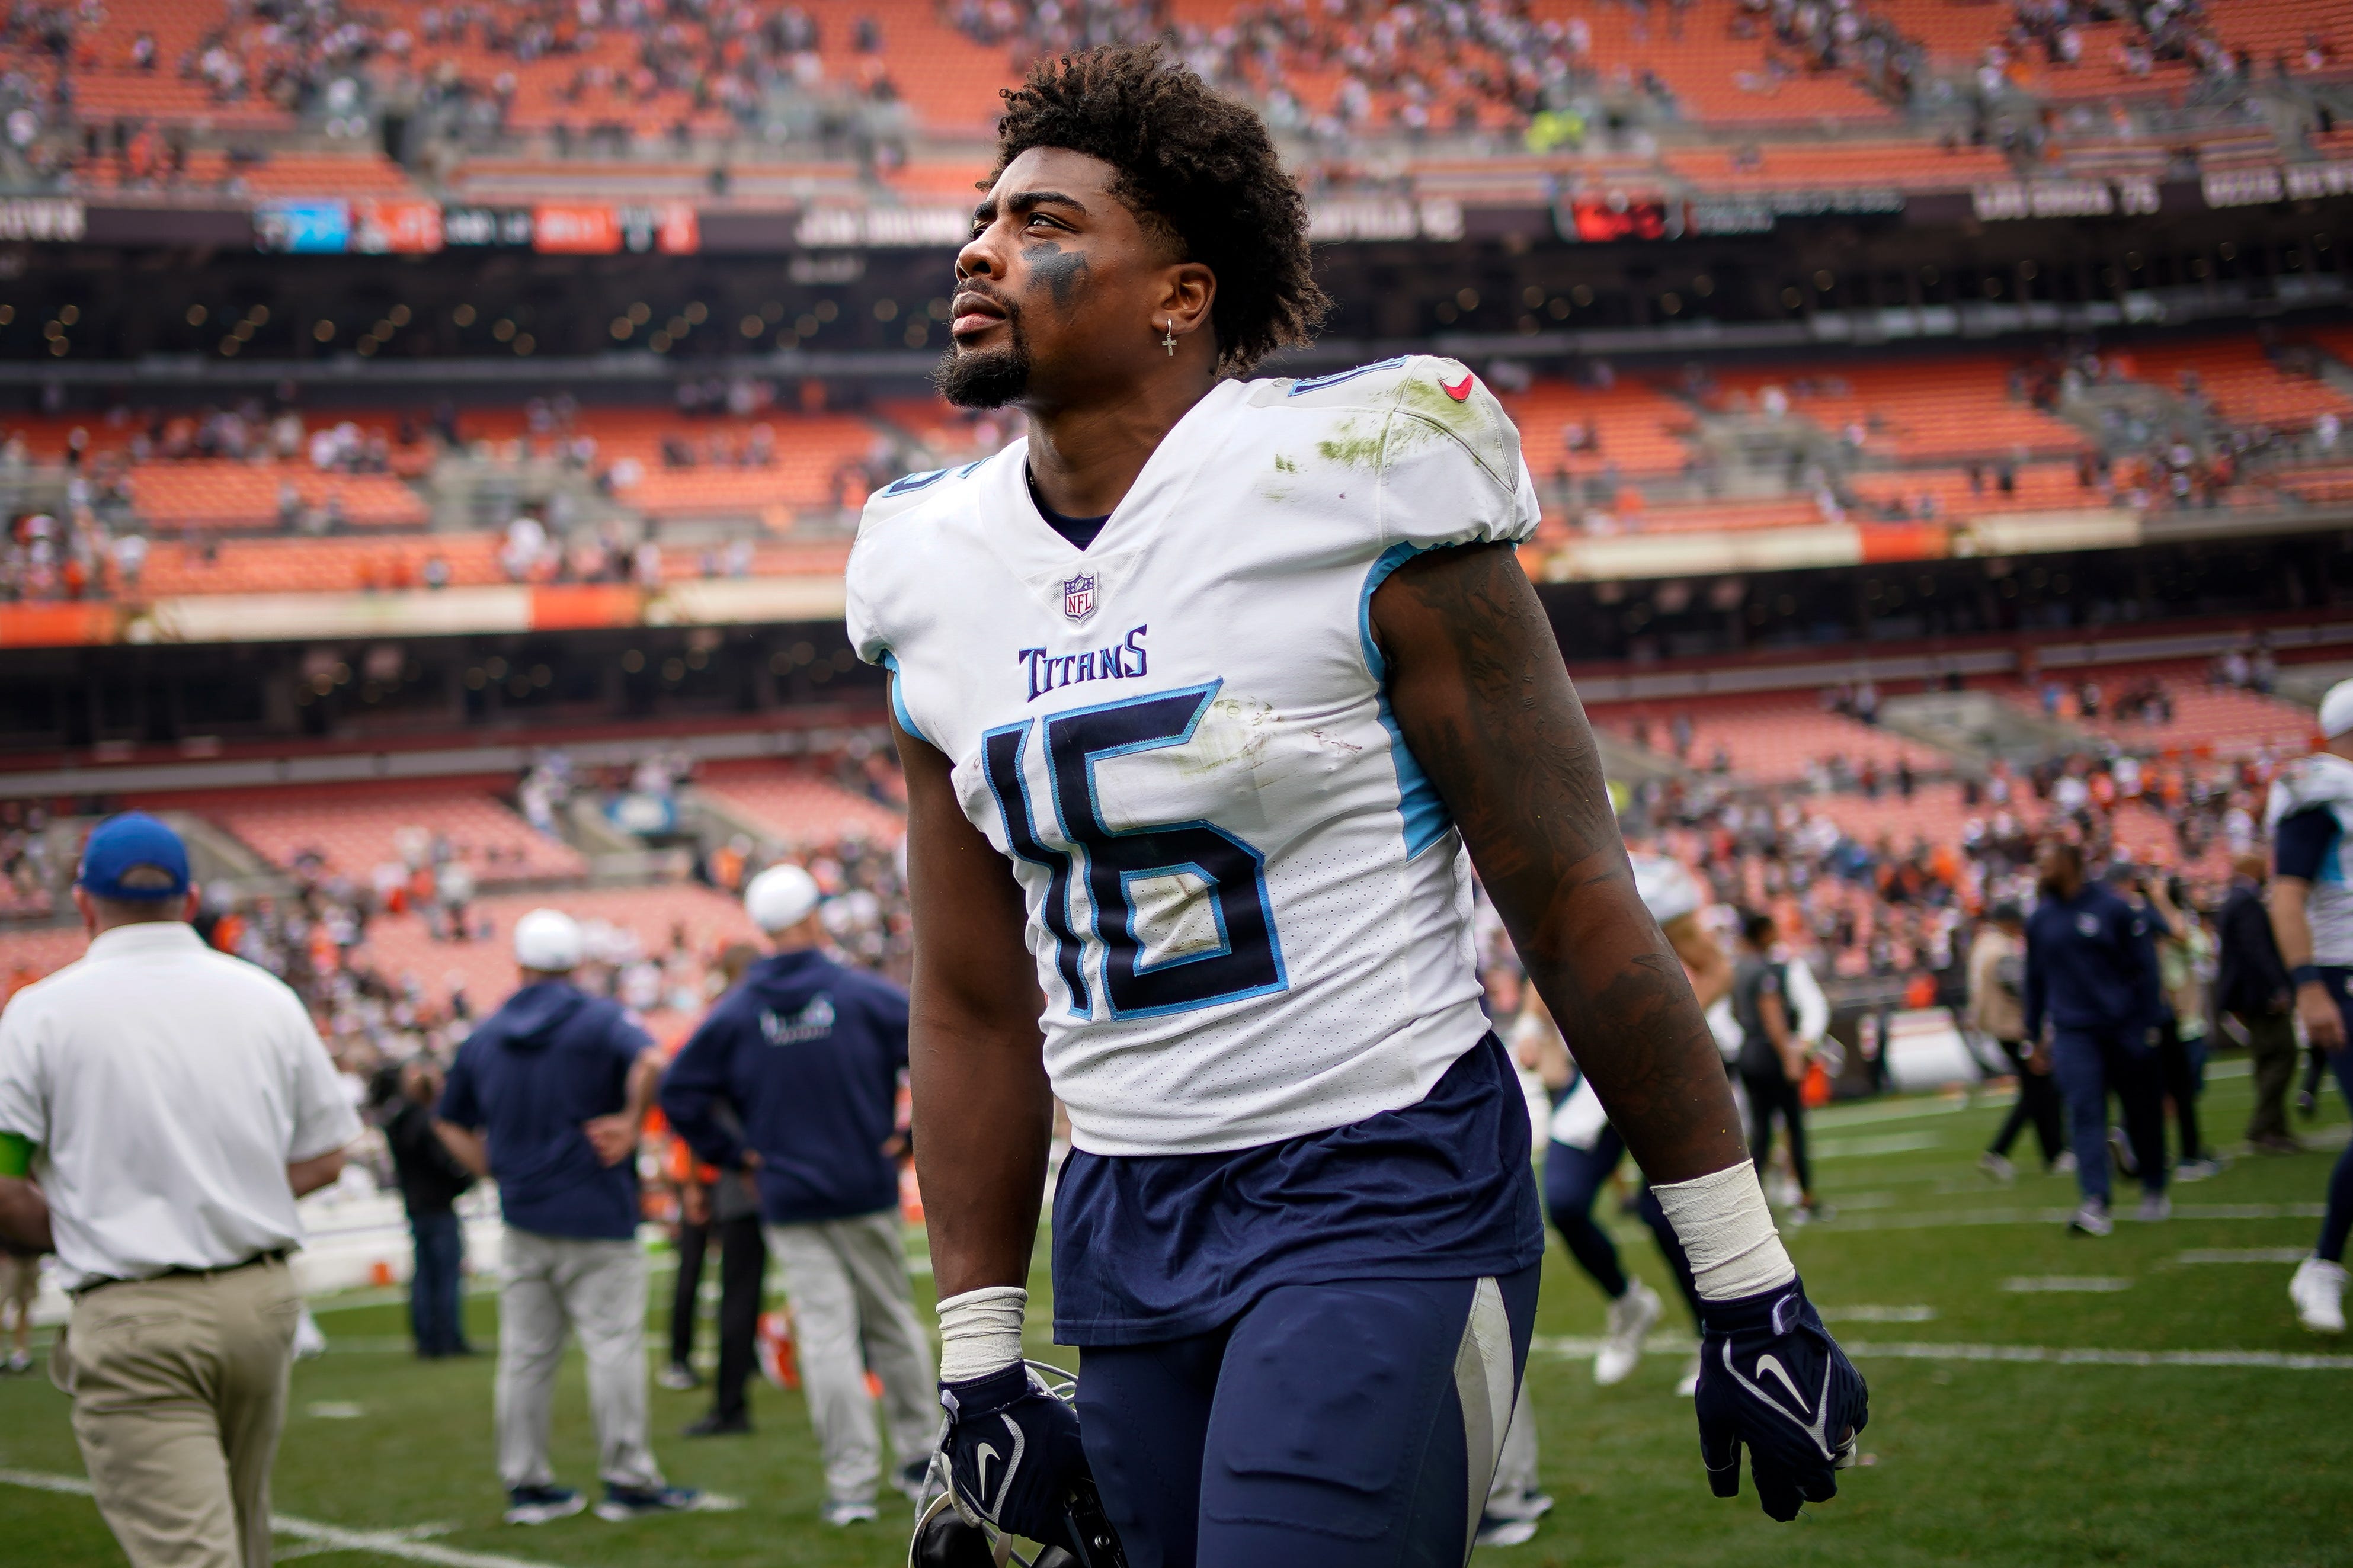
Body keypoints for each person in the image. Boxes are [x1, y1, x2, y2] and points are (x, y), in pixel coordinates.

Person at [853, 44, 1865, 1566]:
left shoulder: (1360, 469)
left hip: (1377, 1175)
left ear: (1180, 294)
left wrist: (1744, 1275)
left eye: (1044, 221)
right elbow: (976, 1000)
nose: (981, 245)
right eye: (982, 216)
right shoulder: (925, 565)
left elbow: (1570, 889)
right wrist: (981, 1360)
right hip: (1124, 1218)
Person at [0, 813, 360, 1568]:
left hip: (134, 1307)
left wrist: (96, 1223)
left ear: (84, 901)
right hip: (259, 1304)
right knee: (242, 1533)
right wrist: (228, 1196)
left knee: (191, 1555)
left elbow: (3, 1188)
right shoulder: (266, 996)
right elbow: (328, 1155)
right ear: (190, 898)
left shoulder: (39, 1012)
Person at [659, 864, 936, 1527]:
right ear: (813, 918)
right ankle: (922, 1461)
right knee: (891, 1322)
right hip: (862, 1185)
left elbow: (679, 1092)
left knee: (827, 1335)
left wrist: (734, 1156)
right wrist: (908, 1136)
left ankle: (850, 1484)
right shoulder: (860, 993)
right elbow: (940, 1046)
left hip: (785, 1193)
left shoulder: (734, 1011)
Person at [433, 908, 702, 1525]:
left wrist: (492, 1169)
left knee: (526, 1356)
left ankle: (526, 1483)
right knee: (613, 1348)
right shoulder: (598, 1018)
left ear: (521, 964)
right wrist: (632, 1123)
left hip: (524, 1216)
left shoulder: (486, 1032)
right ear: (575, 963)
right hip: (597, 1212)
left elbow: (449, 1120)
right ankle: (627, 1479)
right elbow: (655, 1062)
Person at [2024, 839, 2167, 1237]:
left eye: (2046, 859)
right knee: (2084, 1112)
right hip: (2073, 1031)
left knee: (2140, 1110)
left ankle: (2153, 1184)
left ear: (2069, 861)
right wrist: (2032, 1033)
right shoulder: (2040, 919)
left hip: (2123, 1025)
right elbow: (2033, 980)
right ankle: (2095, 1200)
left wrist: (2148, 1019)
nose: (2040, 867)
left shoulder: (2113, 908)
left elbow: (2144, 967)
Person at [2270, 678, 2353, 1335]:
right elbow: (2286, 897)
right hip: (2339, 973)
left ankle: (2322, 1265)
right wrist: (2308, 985)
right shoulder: (2320, 794)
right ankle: (2321, 1266)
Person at [382, 1054, 476, 1358]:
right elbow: (442, 1164)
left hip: (415, 1205)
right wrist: (464, 1180)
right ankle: (448, 1338)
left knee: (424, 1275)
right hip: (437, 1205)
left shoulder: (396, 1122)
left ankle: (426, 1339)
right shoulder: (427, 1123)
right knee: (447, 1275)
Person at [1733, 912, 1823, 1222]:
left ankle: (1754, 1208)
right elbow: (1773, 1018)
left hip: (1749, 1053)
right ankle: (1807, 1197)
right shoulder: (1764, 970)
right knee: (1793, 1129)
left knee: (1760, 1134)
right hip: (1769, 1056)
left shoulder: (1738, 969)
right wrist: (1790, 1057)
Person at [1971, 903, 2067, 1180]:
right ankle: (2001, 1152)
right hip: (2014, 1027)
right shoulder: (2001, 949)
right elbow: (2019, 987)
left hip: (2000, 1026)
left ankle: (2053, 1153)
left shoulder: (1984, 944)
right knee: (2039, 1090)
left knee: (2038, 1090)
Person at [2214, 852, 2298, 1153]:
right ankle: (2264, 1126)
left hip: (2247, 996)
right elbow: (2257, 950)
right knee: (2282, 1056)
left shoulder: (2232, 900)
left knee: (2266, 1059)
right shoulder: (2246, 903)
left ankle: (2275, 1126)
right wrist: (2277, 988)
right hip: (2259, 995)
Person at [0, 1233, 36, 1373]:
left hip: (30, 1255)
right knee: (2, 1302)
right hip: (7, 1256)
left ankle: (20, 1354)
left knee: (25, 1303)